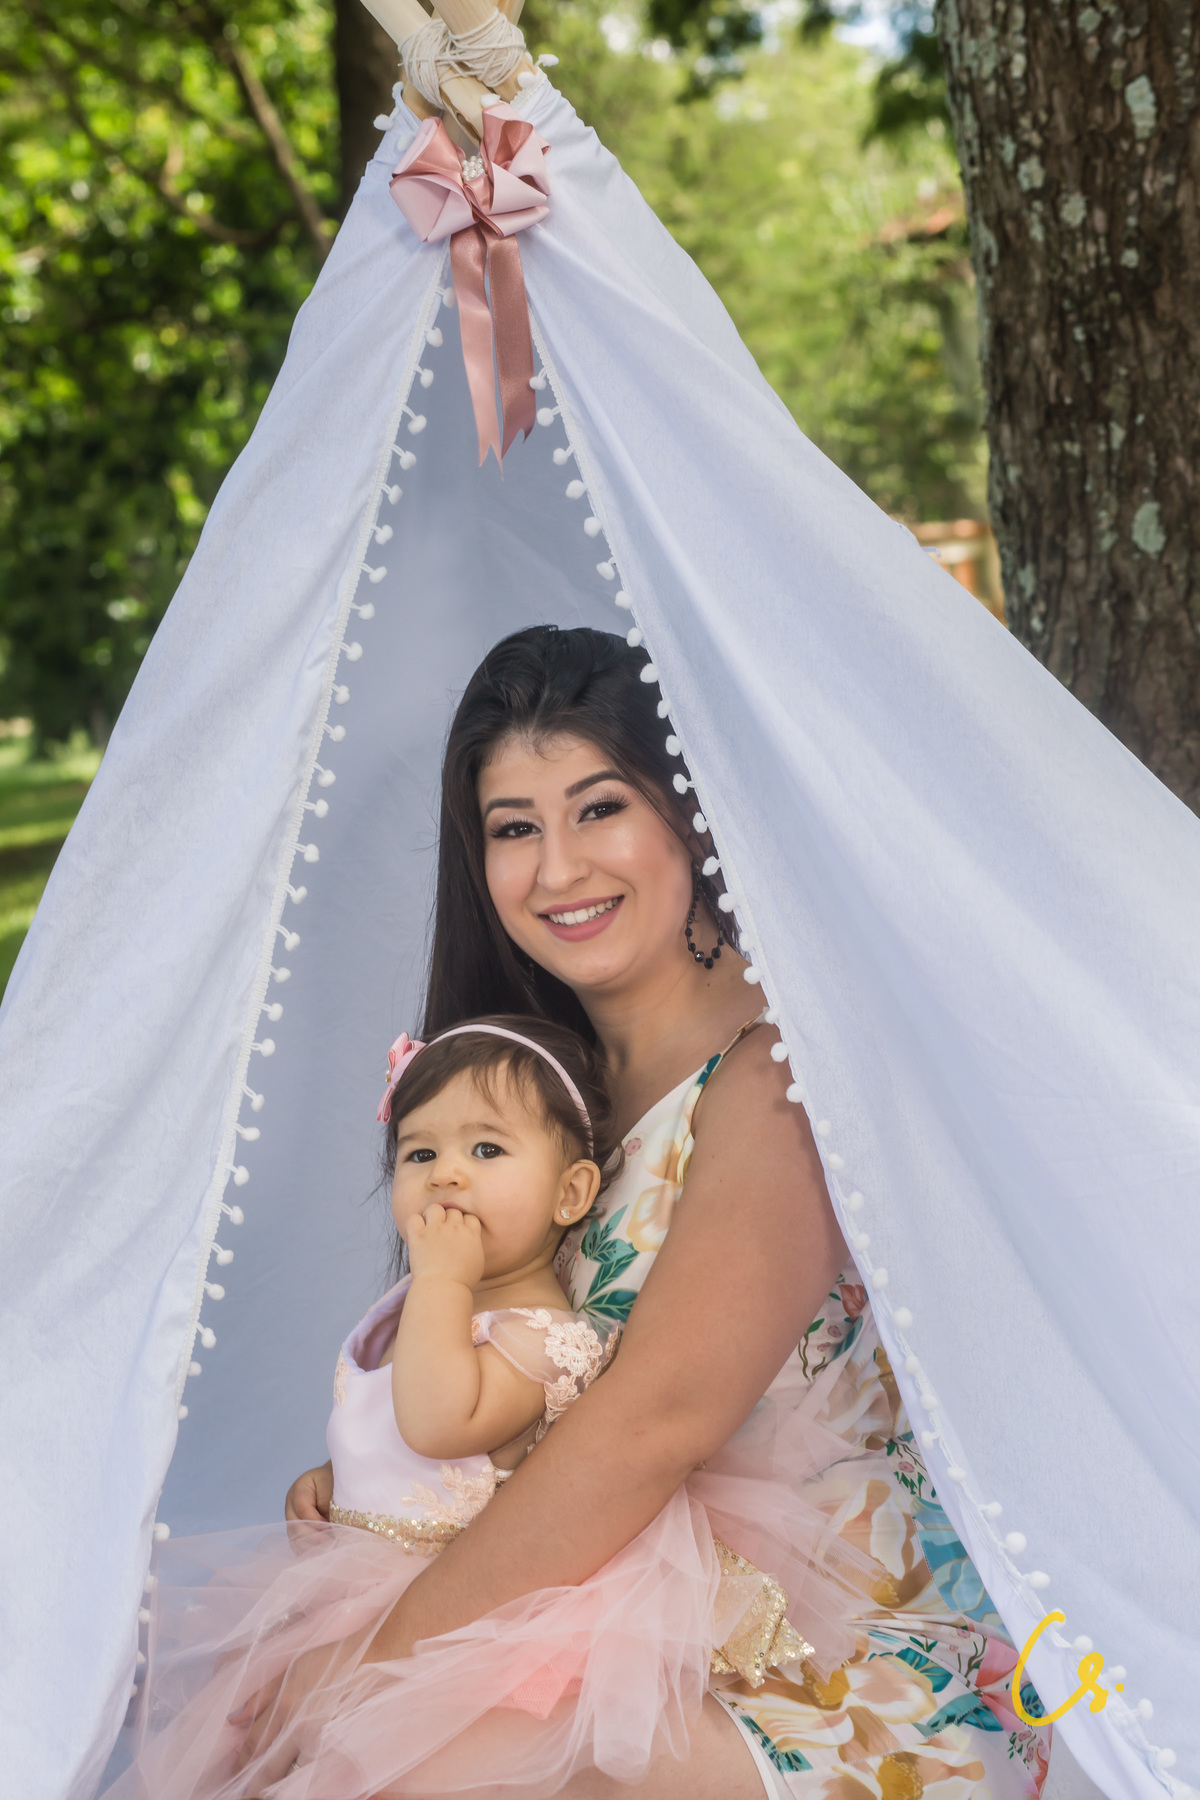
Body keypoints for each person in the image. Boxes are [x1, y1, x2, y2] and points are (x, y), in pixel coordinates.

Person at [273, 624, 1052, 1800]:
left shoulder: (774, 1071)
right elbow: (519, 1353)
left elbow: (656, 1419)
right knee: (277, 1722)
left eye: (600, 809)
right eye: (514, 829)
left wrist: (377, 1669)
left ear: (688, 812)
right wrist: (384, 1469)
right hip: (614, 1606)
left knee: (399, 1761)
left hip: (844, 1659)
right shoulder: (538, 1089)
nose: (558, 870)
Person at [103, 1017, 623, 1798]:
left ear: (570, 1192)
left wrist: (444, 1281)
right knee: (256, 1750)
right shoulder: (421, 1306)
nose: (447, 1175)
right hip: (351, 1598)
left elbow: (440, 1425)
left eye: (486, 1149)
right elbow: (397, 1433)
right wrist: (334, 1474)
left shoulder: (542, 1338)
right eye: (422, 1154)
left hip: (447, 1623)